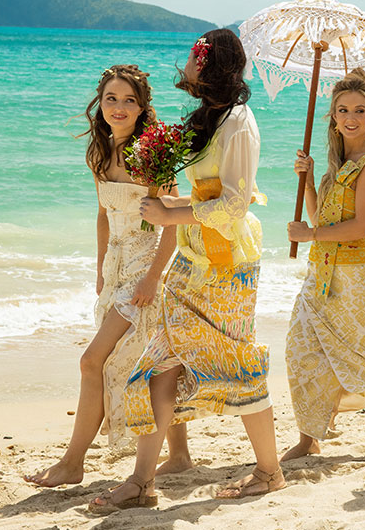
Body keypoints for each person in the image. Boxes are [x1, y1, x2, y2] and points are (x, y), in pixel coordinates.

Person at [88, 29, 285, 514]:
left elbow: (236, 203)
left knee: (237, 365)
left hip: (229, 267)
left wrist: (172, 215)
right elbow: (203, 197)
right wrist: (167, 204)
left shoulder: (240, 122)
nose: (188, 65)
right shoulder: (209, 118)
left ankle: (269, 471)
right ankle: (142, 482)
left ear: (210, 63)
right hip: (191, 260)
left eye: (195, 57)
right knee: (158, 365)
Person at [26, 65, 192, 487]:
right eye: (111, 99)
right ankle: (181, 455)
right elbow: (103, 215)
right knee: (154, 363)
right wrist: (101, 269)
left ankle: (73, 462)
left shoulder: (152, 154)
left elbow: (171, 222)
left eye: (128, 101)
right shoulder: (100, 152)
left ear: (142, 108)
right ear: (99, 104)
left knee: (92, 360)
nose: (118, 108)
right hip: (116, 272)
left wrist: (153, 278)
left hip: (146, 272)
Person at [282, 69, 365, 460]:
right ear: (333, 116)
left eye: (359, 110)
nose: (350, 117)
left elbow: (362, 226)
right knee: (302, 353)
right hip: (320, 274)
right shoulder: (341, 161)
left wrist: (309, 236)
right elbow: (322, 222)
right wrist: (312, 178)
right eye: (342, 110)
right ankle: (309, 438)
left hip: (354, 279)